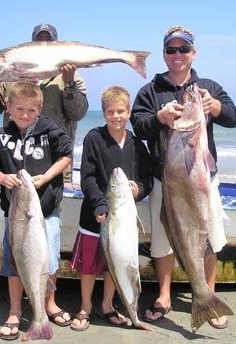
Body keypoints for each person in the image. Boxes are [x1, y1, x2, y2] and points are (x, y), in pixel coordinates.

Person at [130, 26, 236, 329]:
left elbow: (232, 116)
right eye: (171, 50)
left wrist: (214, 107)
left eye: (183, 49)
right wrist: (159, 118)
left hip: (204, 180)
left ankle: (207, 295)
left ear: (193, 52)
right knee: (166, 238)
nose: (177, 55)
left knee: (210, 237)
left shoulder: (208, 87)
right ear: (164, 54)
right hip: (166, 182)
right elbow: (137, 124)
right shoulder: (150, 91)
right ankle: (164, 295)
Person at [0, 81, 73, 340]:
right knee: (16, 262)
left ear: (40, 109)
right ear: (8, 107)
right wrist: (2, 178)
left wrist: (46, 177)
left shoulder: (50, 130)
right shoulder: (0, 137)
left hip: (47, 212)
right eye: (19, 109)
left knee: (50, 261)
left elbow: (66, 155)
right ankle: (14, 310)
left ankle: (48, 305)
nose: (25, 115)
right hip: (16, 217)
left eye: (31, 110)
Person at [69, 86, 152, 331]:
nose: (116, 116)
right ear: (103, 113)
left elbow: (147, 179)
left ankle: (107, 305)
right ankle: (85, 307)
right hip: (94, 215)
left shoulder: (138, 145)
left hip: (123, 222)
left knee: (114, 264)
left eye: (121, 111)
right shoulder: (94, 138)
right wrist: (99, 203)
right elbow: (88, 177)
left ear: (128, 112)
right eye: (110, 112)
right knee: (89, 267)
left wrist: (140, 191)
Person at [0, 23, 89, 186]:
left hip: (55, 167)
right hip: (14, 166)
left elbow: (78, 113)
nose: (43, 42)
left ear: (57, 44)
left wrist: (69, 84)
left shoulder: (72, 76)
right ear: (30, 43)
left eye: (49, 38)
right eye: (38, 38)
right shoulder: (11, 73)